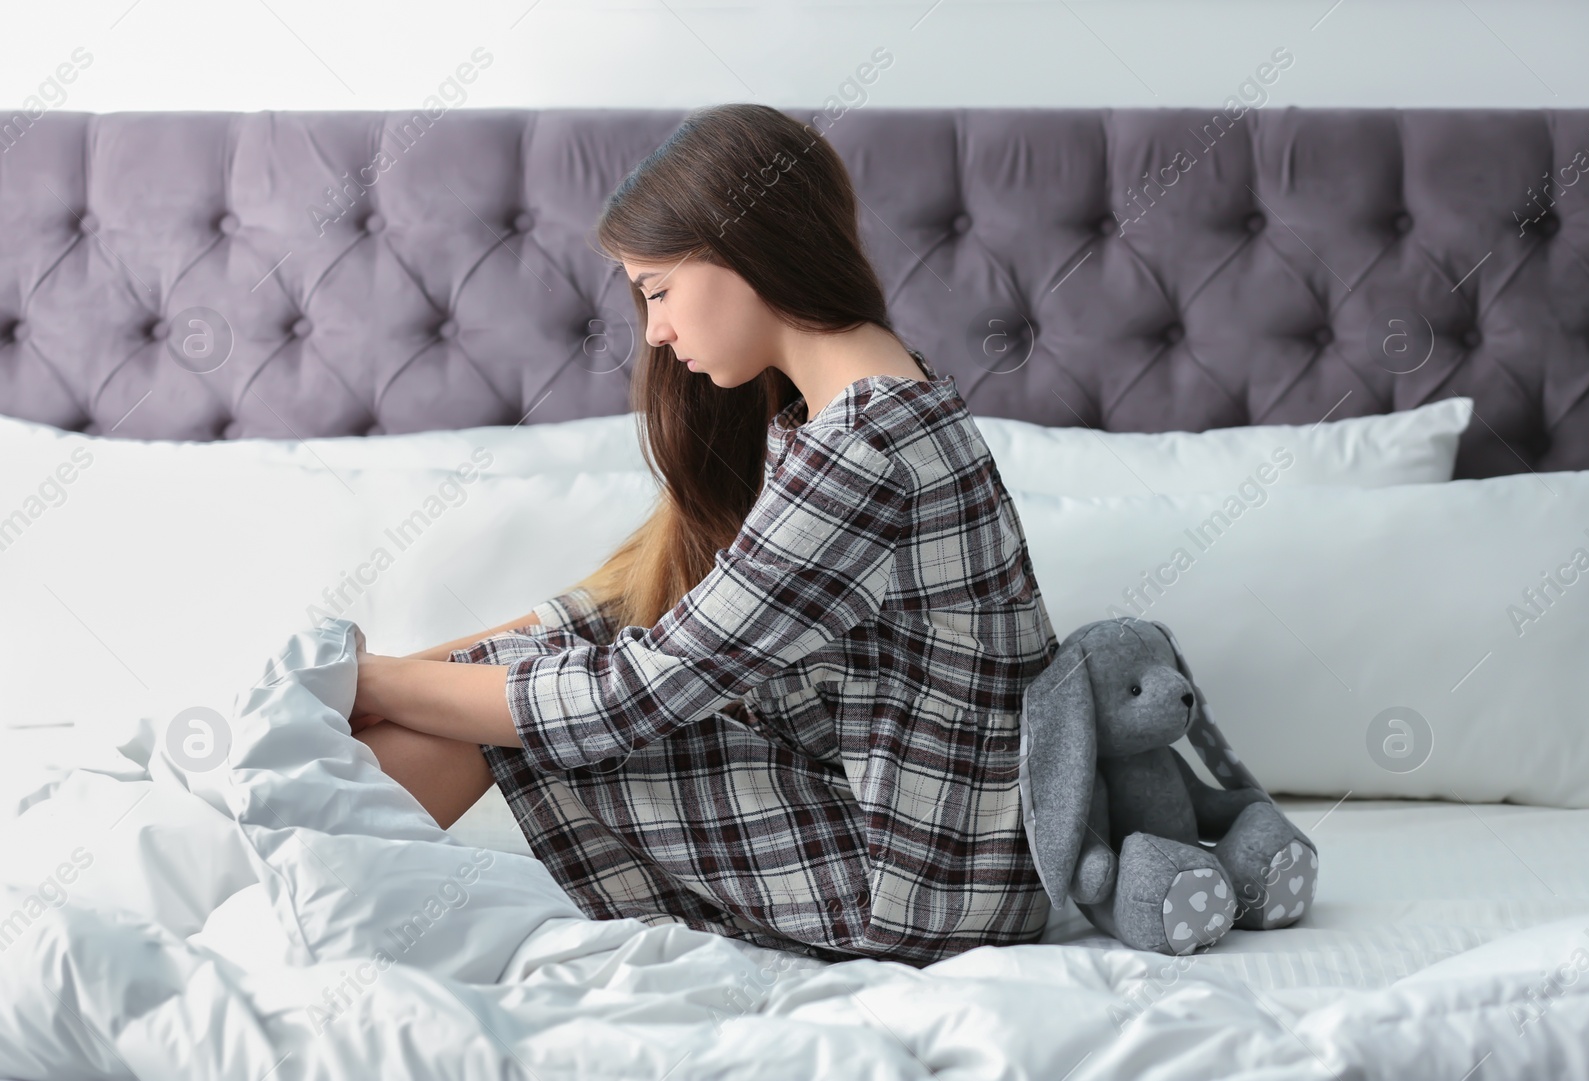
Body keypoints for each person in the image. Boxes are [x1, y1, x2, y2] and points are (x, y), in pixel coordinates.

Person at [350, 103, 1060, 966]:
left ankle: (269, 857)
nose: (654, 329)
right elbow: (622, 622)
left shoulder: (864, 451)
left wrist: (371, 679)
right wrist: (379, 680)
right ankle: (278, 811)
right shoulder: (871, 412)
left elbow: (631, 694)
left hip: (916, 890)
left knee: (543, 714)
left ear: (747, 250)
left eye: (657, 290)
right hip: (957, 873)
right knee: (538, 682)